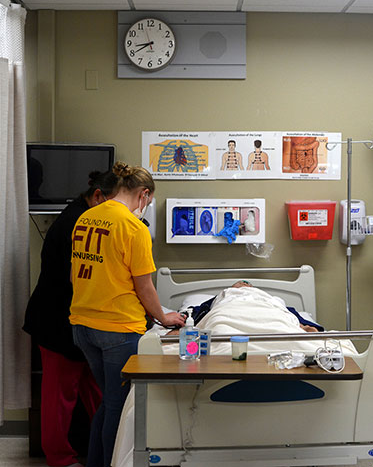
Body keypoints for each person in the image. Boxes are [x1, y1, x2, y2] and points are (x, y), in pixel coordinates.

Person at [69, 161, 185, 467]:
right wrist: (164, 317)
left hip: (82, 325)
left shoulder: (86, 218)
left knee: (108, 403)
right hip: (117, 330)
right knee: (118, 408)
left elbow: (75, 275)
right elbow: (144, 286)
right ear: (144, 195)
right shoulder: (133, 228)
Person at [23, 170, 119, 467]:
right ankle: (60, 458)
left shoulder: (84, 217)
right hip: (56, 322)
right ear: (99, 197)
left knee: (96, 388)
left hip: (79, 320)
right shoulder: (74, 224)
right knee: (59, 396)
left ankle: (109, 448)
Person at [174, 281, 323, 333]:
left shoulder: (270, 299)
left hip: (268, 313)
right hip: (227, 312)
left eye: (247, 283)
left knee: (285, 323)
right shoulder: (223, 296)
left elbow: (289, 314)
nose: (244, 285)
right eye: (240, 283)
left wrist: (306, 328)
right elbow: (194, 316)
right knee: (219, 326)